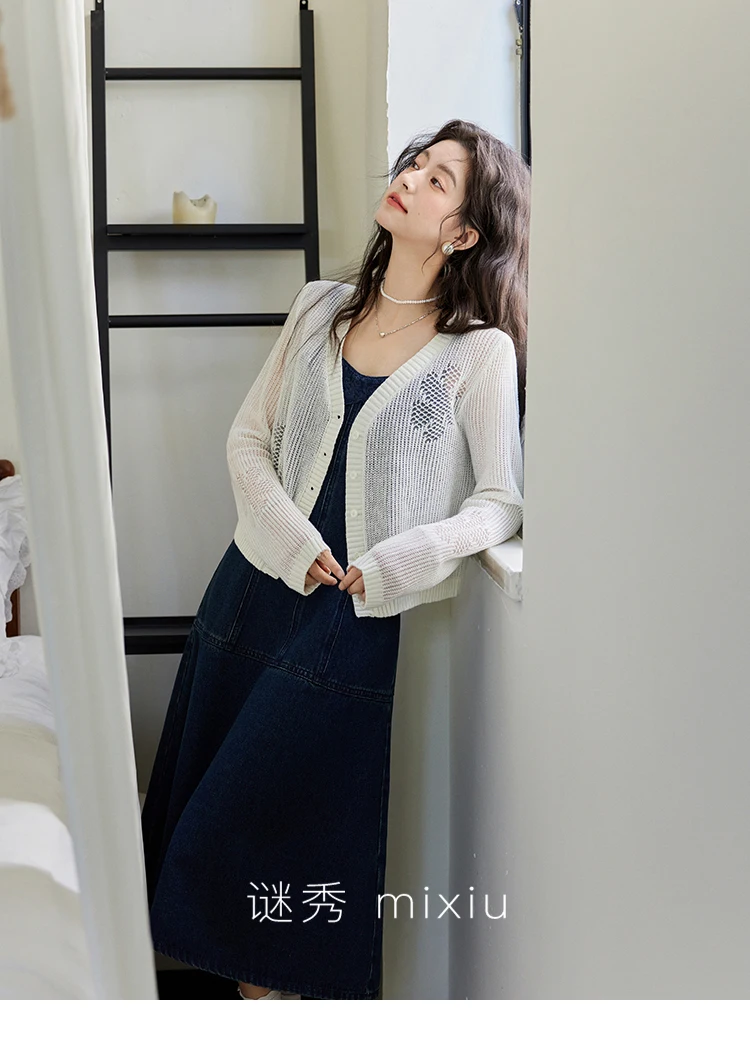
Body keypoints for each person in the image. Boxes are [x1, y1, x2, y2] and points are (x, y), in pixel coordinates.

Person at [139, 118, 529, 1001]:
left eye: (439, 180)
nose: (412, 177)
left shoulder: (477, 352)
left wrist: (408, 556)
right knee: (212, 844)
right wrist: (290, 537)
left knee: (271, 843)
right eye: (415, 163)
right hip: (249, 596)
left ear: (465, 233)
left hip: (350, 627)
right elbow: (248, 440)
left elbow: (500, 501)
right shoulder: (320, 307)